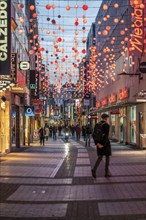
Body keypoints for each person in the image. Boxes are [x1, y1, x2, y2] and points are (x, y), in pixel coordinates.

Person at [91, 114, 111, 178]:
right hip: (105, 144)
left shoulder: (97, 124)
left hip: (98, 143)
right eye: (107, 118)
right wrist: (103, 144)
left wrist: (97, 143)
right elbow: (106, 136)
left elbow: (93, 135)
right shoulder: (106, 125)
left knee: (100, 157)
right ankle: (106, 172)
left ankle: (94, 169)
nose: (107, 119)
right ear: (106, 118)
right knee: (107, 157)